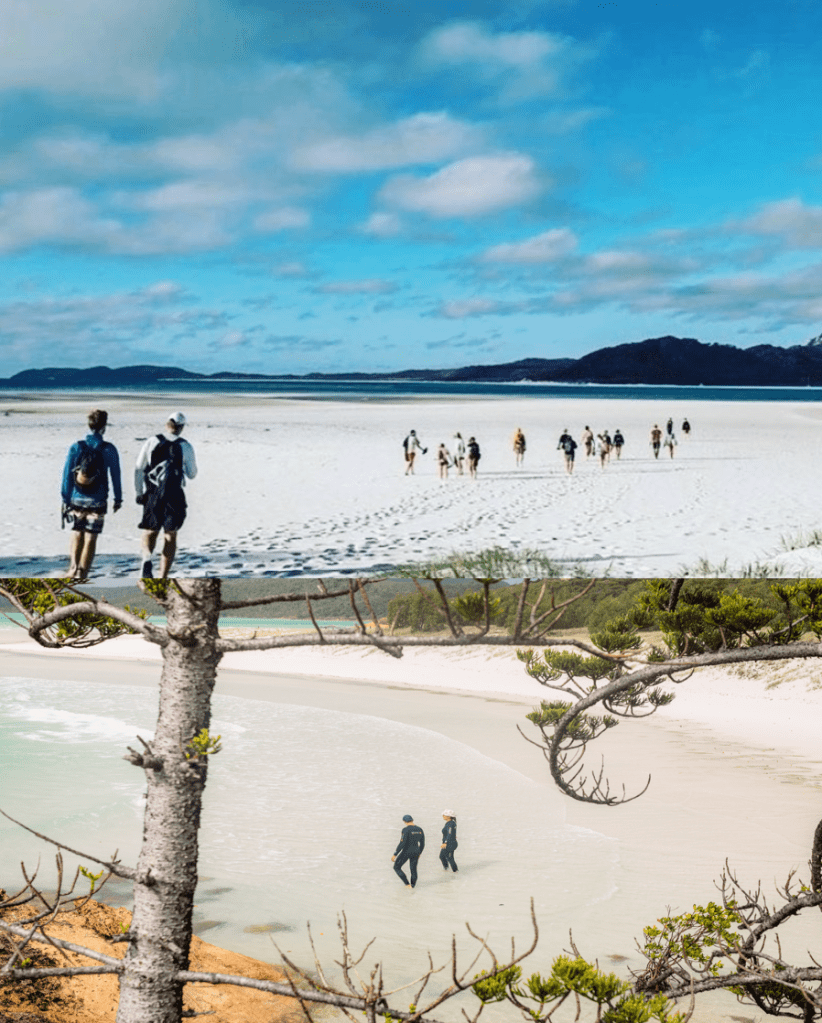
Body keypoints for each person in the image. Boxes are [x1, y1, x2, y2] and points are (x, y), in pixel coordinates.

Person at [61, 409, 122, 581]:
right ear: (104, 427)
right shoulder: (109, 449)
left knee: (77, 533)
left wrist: (65, 498)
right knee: (91, 537)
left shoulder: (77, 446)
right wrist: (118, 498)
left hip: (77, 497)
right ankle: (83, 572)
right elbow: (116, 475)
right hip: (98, 499)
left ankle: (73, 567)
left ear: (89, 425)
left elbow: (67, 474)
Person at [134, 412, 197, 578]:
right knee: (170, 535)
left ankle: (147, 558)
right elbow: (192, 474)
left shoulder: (152, 441)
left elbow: (139, 468)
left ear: (166, 424)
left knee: (149, 531)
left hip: (153, 494)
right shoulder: (185, 446)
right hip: (174, 496)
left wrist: (139, 492)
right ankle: (163, 575)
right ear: (181, 428)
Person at [392, 814, 425, 888]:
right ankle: (413, 886)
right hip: (416, 851)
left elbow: (402, 843)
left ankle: (407, 884)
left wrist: (395, 854)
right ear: (412, 820)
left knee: (396, 867)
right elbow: (422, 843)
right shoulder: (420, 829)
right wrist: (419, 852)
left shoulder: (405, 829)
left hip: (406, 851)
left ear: (404, 821)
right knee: (413, 869)